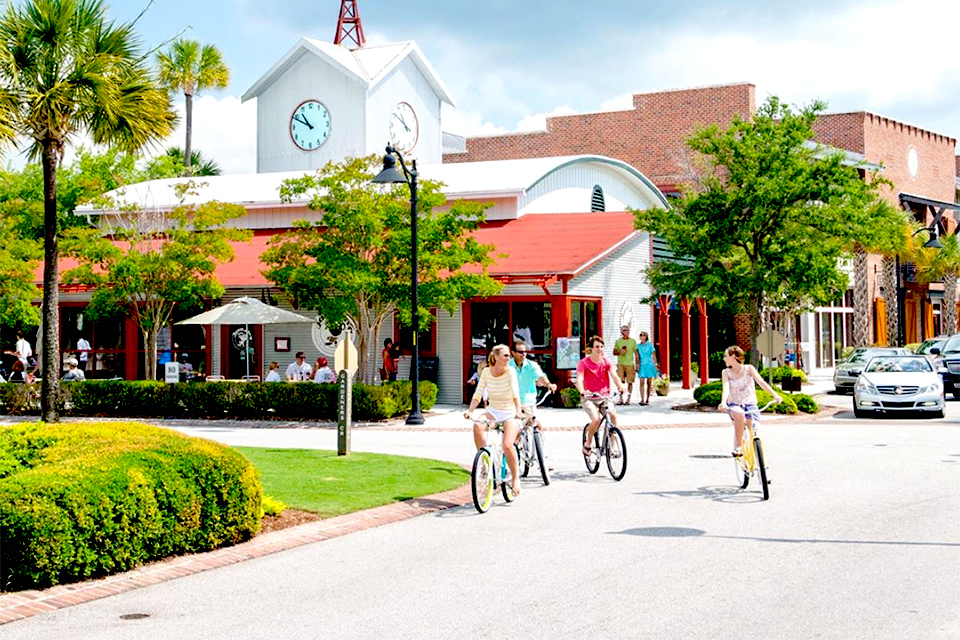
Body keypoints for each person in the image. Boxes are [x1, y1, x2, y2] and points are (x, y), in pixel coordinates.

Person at [464, 344, 523, 496]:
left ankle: (516, 479)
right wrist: (470, 411)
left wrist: (518, 411)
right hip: (494, 410)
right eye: (505, 356)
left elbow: (515, 393)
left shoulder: (510, 372)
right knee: (478, 425)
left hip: (510, 412)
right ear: (495, 357)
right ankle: (485, 460)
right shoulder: (486, 372)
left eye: (509, 356)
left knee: (507, 445)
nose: (508, 358)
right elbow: (478, 393)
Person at [718, 345, 782, 457]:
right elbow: (726, 388)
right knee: (739, 415)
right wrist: (723, 402)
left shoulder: (749, 369)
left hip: (750, 403)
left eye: (726, 356)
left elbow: (761, 383)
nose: (724, 358)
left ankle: (756, 453)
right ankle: (738, 447)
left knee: (753, 426)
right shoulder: (726, 372)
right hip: (735, 404)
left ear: (733, 357)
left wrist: (775, 395)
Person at [510, 340, 557, 469]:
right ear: (513, 353)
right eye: (520, 352)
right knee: (516, 429)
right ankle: (514, 455)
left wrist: (548, 384)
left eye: (525, 351)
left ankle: (544, 460)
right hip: (513, 403)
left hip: (529, 402)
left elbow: (540, 376)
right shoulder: (508, 367)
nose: (523, 354)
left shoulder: (531, 365)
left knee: (539, 426)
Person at [576, 335, 626, 457]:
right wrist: (583, 391)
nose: (600, 349)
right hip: (589, 397)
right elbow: (579, 379)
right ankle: (588, 443)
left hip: (604, 397)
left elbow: (614, 376)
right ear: (591, 349)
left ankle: (613, 446)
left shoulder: (606, 361)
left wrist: (621, 387)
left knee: (613, 415)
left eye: (602, 347)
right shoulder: (583, 363)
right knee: (596, 419)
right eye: (597, 347)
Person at [613, 325, 638, 405]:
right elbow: (614, 352)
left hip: (630, 364)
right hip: (620, 363)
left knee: (630, 382)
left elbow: (636, 353)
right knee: (619, 381)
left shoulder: (633, 341)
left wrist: (637, 363)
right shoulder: (618, 341)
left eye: (627, 330)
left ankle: (628, 399)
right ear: (621, 332)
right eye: (624, 330)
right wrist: (620, 351)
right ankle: (620, 398)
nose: (626, 332)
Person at [637, 331, 658, 406]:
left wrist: (655, 364)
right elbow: (637, 356)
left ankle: (647, 399)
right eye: (640, 335)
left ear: (646, 337)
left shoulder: (650, 345)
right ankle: (642, 399)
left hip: (649, 364)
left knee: (649, 382)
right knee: (641, 381)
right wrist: (637, 364)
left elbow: (653, 355)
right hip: (642, 364)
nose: (641, 337)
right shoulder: (638, 346)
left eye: (643, 335)